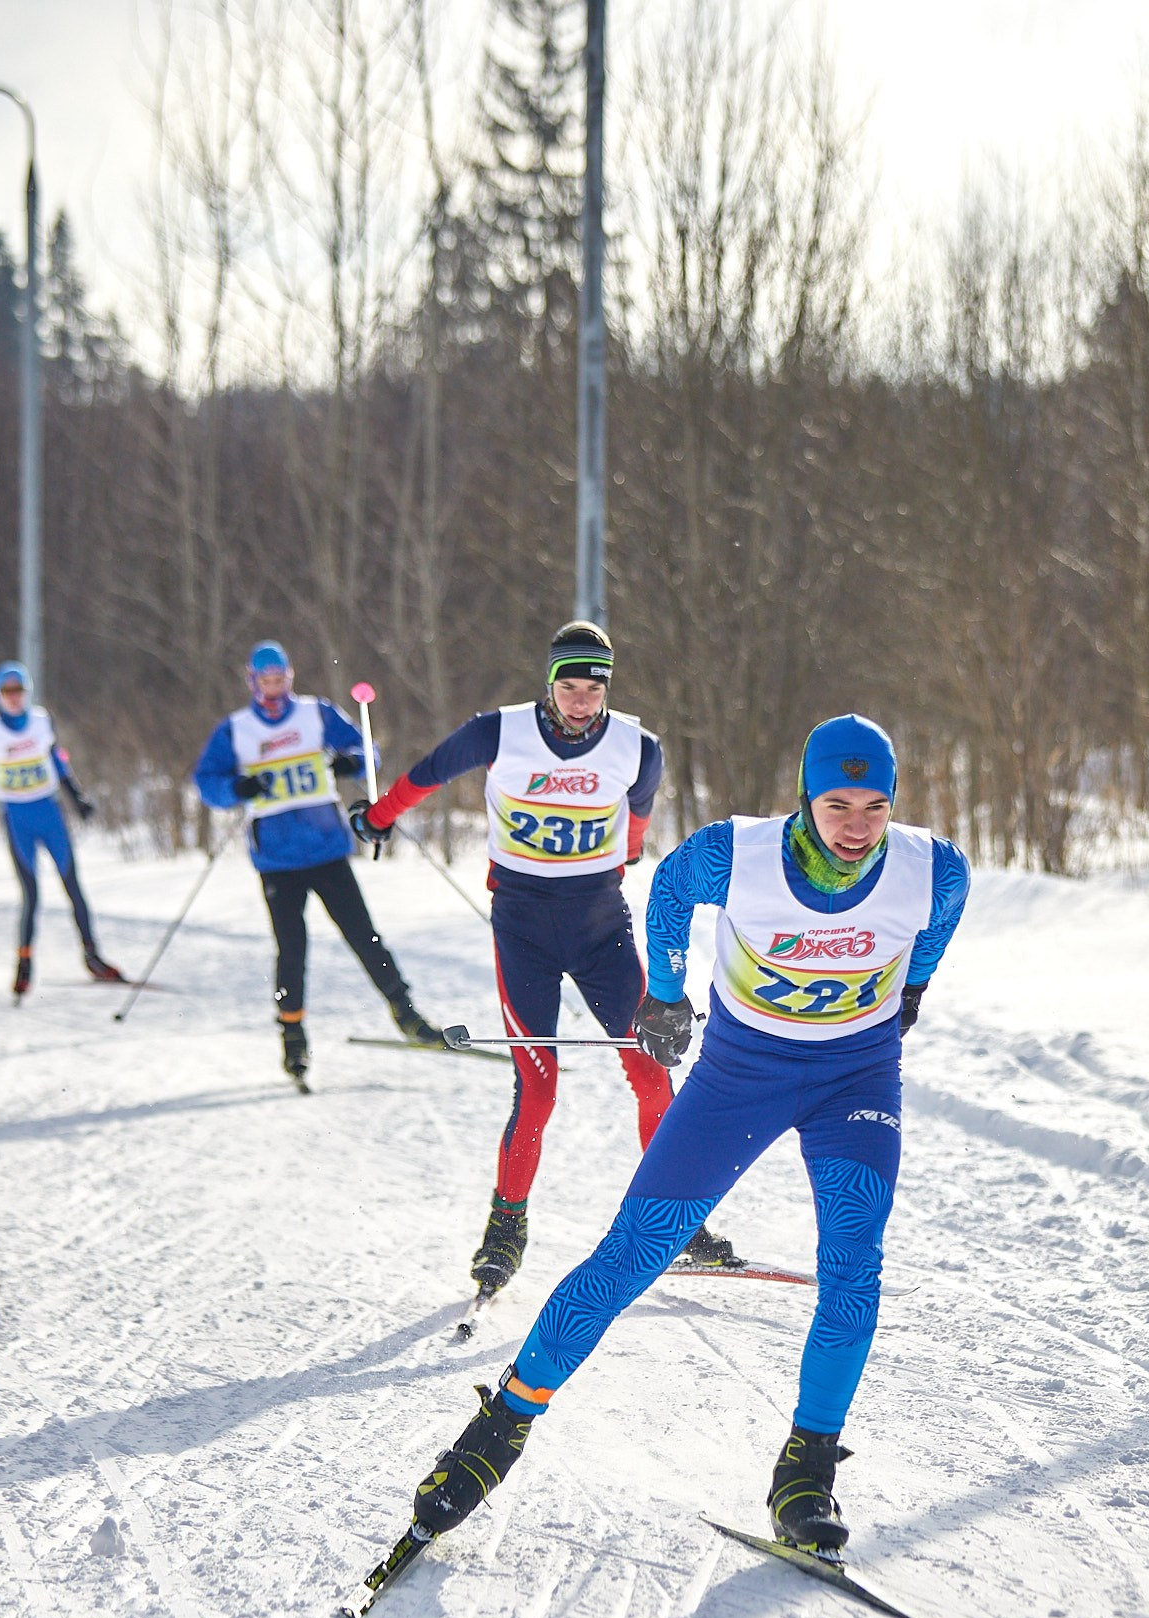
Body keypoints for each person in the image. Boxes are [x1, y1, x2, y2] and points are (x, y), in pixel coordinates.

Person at [402, 714, 971, 1557]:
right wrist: (662, 993)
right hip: (739, 1079)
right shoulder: (735, 854)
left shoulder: (935, 869)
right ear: (806, 796)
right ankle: (501, 1425)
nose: (857, 826)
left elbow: (937, 925)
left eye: (876, 806)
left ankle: (806, 1469)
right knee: (635, 1251)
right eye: (838, 803)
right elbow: (668, 889)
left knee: (854, 1259)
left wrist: (911, 990)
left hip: (855, 1076)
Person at [350, 620, 733, 1287]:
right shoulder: (500, 732)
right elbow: (425, 774)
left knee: (650, 1070)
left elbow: (637, 822)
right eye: (569, 685)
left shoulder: (637, 747)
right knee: (539, 1084)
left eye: (593, 688)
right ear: (549, 683)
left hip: (598, 927)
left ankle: (675, 1222)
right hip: (522, 928)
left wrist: (629, 849)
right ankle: (505, 1229)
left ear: (607, 688)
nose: (580, 700)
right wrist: (379, 816)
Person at [194, 641, 441, 1084]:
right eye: (265, 682)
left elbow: (368, 753)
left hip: (326, 849)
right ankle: (293, 1038)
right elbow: (207, 783)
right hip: (276, 859)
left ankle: (407, 1014)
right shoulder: (238, 729)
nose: (274, 690)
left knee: (364, 936)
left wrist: (351, 762)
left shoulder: (316, 714)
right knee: (291, 948)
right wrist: (238, 789)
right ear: (252, 682)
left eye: (280, 680)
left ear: (290, 677)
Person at [0, 661, 122, 999]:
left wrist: (76, 797)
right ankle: (24, 964)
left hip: (49, 812)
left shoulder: (41, 721)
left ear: (27, 692)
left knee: (73, 886)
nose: (13, 698)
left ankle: (93, 956)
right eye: (7, 692)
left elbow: (56, 759)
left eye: (18, 691)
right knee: (31, 896)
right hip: (17, 818)